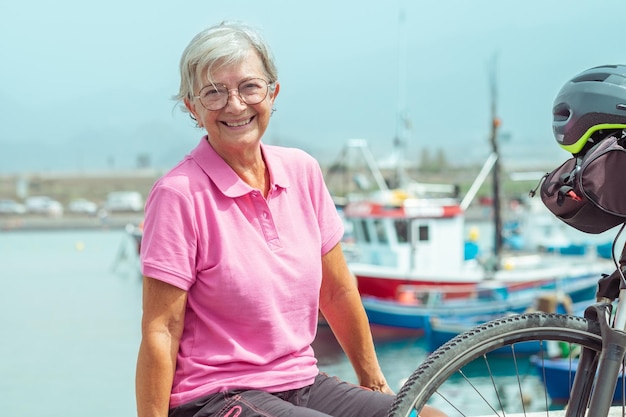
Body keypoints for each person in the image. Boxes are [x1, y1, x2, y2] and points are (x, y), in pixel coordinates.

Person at [135, 21, 444, 417]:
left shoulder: (302, 171)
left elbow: (336, 292)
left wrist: (376, 385)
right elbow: (161, 330)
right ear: (193, 107)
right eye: (213, 92)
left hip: (300, 382)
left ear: (272, 92)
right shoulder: (178, 194)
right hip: (215, 395)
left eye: (249, 86)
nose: (235, 104)